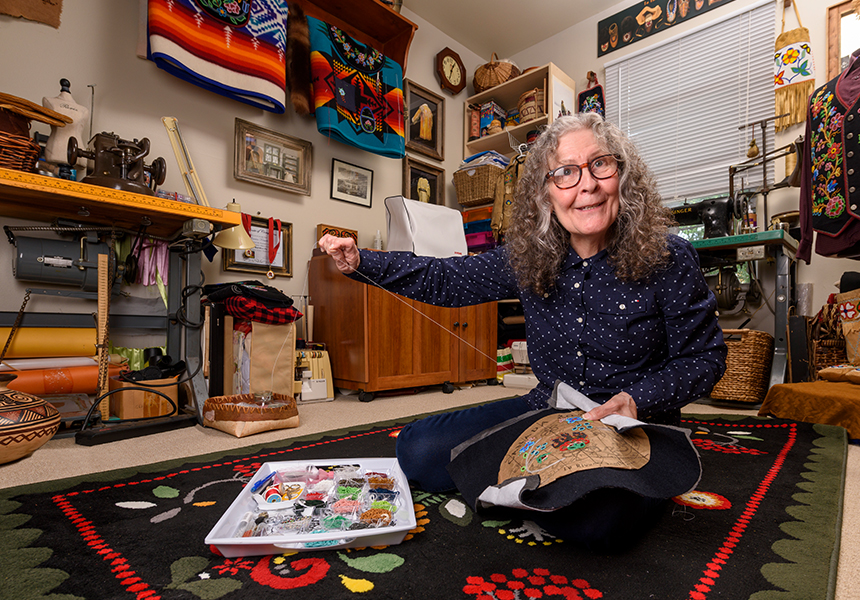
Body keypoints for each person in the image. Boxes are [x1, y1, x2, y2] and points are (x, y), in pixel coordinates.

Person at [318, 112, 727, 552]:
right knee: (416, 452)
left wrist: (637, 400)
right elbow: (445, 278)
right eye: (566, 172)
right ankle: (537, 488)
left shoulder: (670, 256)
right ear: (546, 193)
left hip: (633, 424)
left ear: (622, 177)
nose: (586, 184)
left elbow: (705, 359)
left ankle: (576, 488)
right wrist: (363, 262)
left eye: (600, 165)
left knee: (592, 524)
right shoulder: (528, 257)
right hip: (548, 411)